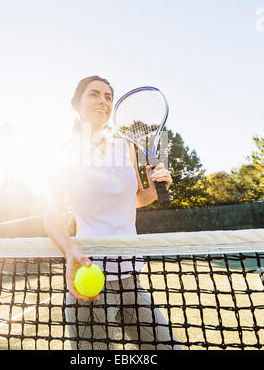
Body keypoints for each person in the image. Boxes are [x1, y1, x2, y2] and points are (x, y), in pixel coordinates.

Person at [44, 75, 181, 350]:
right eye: (94, 94)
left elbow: (137, 199)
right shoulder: (64, 152)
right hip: (91, 276)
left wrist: (158, 188)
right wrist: (69, 249)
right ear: (76, 104)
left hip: (130, 276)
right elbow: (50, 211)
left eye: (108, 97)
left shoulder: (126, 148)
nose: (103, 101)